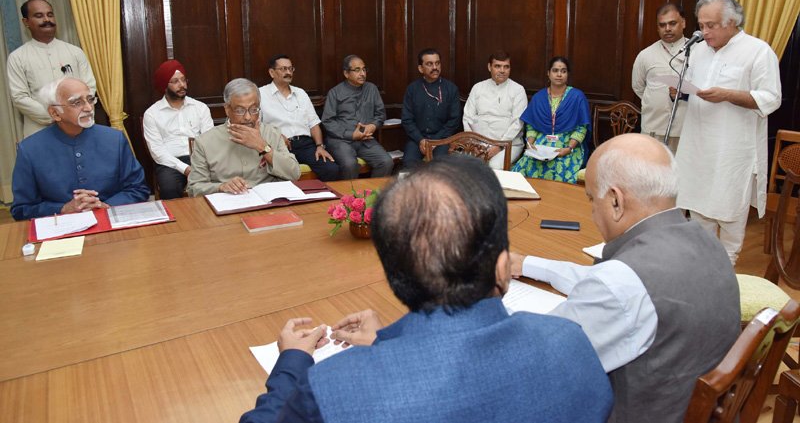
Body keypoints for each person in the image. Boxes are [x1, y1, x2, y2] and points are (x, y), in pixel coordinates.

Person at [239, 155, 613, 423]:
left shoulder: (331, 390)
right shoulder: (570, 341)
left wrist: (290, 364)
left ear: (394, 275)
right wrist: (387, 342)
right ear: (503, 268)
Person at [511, 133, 740, 423]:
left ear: (616, 201)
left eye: (592, 199)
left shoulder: (622, 283)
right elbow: (606, 280)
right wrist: (526, 264)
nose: (592, 211)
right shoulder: (705, 240)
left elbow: (538, 357)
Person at [676, 0, 781, 264]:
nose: (704, 32)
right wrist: (679, 90)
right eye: (701, 25)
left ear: (732, 22)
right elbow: (693, 84)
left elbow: (771, 97)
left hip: (732, 151)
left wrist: (728, 94)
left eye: (711, 25)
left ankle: (725, 270)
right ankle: (701, 270)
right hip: (698, 146)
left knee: (730, 211)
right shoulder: (698, 49)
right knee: (698, 211)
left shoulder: (758, 51)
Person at [11, 78, 149, 220]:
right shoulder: (30, 149)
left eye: (90, 99)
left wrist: (105, 205)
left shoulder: (115, 139)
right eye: (77, 102)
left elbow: (138, 189)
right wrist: (63, 209)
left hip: (111, 222)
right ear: (55, 113)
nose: (89, 108)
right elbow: (21, 209)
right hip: (60, 230)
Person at [187, 78, 300, 196]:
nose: (248, 117)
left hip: (267, 204)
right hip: (227, 205)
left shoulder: (272, 133)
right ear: (227, 109)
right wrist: (220, 187)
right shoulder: (205, 142)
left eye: (253, 109)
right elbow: (194, 188)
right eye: (240, 110)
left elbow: (294, 174)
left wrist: (263, 146)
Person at [7, 0, 97, 138]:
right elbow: (20, 97)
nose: (46, 19)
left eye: (50, 14)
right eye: (39, 16)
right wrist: (56, 115)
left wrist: (74, 113)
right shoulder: (17, 57)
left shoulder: (75, 51)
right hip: (40, 130)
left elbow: (89, 86)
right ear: (26, 22)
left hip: (79, 127)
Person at [259, 55, 339, 181]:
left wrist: (319, 146)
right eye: (283, 69)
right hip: (279, 146)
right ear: (272, 72)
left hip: (306, 144)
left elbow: (313, 123)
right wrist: (275, 135)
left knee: (331, 169)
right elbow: (256, 124)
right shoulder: (261, 94)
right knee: (281, 175)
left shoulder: (300, 93)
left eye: (291, 69)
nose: (288, 72)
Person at [512, 56, 590, 183]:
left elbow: (582, 127)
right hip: (541, 143)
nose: (559, 74)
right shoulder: (539, 97)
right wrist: (530, 143)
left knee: (559, 168)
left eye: (563, 71)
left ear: (567, 74)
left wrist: (569, 148)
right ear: (548, 73)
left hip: (567, 144)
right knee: (525, 167)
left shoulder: (577, 97)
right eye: (555, 70)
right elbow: (532, 125)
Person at [143, 60, 214, 199]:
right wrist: (186, 169)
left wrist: (200, 164)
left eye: (183, 80)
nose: (182, 85)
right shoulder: (152, 114)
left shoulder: (200, 107)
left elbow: (210, 139)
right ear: (164, 85)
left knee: (220, 181)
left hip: (200, 158)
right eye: (175, 81)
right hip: (170, 163)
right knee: (169, 188)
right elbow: (157, 151)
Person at [321, 55, 393, 179]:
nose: (362, 73)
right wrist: (351, 135)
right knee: (350, 164)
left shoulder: (371, 89)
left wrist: (373, 125)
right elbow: (327, 121)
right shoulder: (335, 92)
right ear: (346, 73)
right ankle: (349, 198)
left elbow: (380, 114)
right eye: (357, 70)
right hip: (341, 140)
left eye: (364, 69)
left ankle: (372, 196)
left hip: (365, 139)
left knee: (386, 162)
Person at [632, 3, 688, 153]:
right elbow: (638, 87)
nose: (667, 29)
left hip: (686, 129)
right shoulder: (646, 55)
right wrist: (656, 99)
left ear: (683, 23)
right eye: (662, 25)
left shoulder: (698, 51)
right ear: (657, 27)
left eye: (672, 23)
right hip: (653, 128)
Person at [463, 50, 528, 169]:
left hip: (509, 145)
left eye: (506, 67)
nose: (502, 70)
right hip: (479, 144)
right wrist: (475, 145)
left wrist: (499, 146)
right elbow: (467, 118)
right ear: (489, 67)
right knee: (468, 166)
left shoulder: (518, 90)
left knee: (494, 166)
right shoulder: (478, 88)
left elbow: (517, 122)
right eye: (497, 66)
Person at [400, 48, 461, 168]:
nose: (435, 67)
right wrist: (421, 140)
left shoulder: (451, 89)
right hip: (417, 139)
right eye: (429, 64)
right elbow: (407, 120)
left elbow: (454, 120)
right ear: (420, 68)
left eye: (437, 63)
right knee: (409, 163)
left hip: (442, 139)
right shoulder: (412, 89)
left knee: (439, 166)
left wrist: (436, 141)